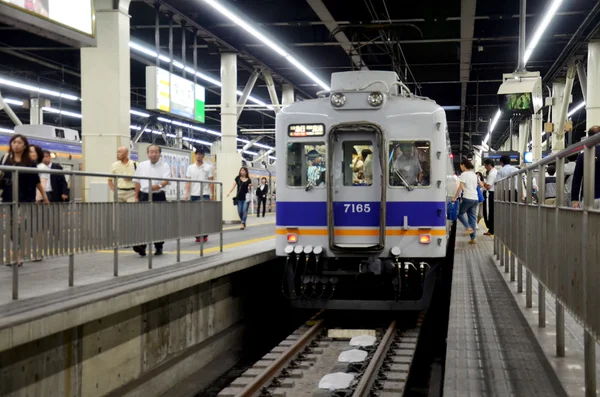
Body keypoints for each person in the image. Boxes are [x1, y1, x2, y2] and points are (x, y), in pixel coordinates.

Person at [0, 134, 49, 266]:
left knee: (19, 227)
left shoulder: (29, 163)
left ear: (24, 146)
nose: (16, 145)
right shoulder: (5, 159)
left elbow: (37, 182)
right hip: (8, 198)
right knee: (10, 228)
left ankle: (16, 255)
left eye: (19, 143)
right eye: (14, 142)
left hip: (24, 200)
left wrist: (44, 197)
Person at [132, 145, 171, 257]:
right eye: (151, 152)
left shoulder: (165, 165)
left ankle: (159, 246)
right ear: (147, 153)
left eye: (155, 152)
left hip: (159, 195)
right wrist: (136, 196)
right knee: (143, 221)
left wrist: (158, 186)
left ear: (159, 153)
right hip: (144, 195)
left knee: (158, 222)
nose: (153, 154)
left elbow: (166, 180)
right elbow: (137, 182)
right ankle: (142, 246)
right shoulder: (142, 165)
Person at [185, 149, 214, 242]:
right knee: (195, 216)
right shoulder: (190, 167)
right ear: (195, 155)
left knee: (204, 216)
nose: (198, 156)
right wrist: (187, 193)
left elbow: (211, 182)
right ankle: (198, 235)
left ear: (203, 156)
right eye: (197, 154)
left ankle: (204, 235)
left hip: (205, 194)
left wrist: (212, 194)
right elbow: (188, 182)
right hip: (194, 194)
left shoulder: (208, 167)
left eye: (200, 154)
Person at [571, 125, 600, 208]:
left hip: (588, 197)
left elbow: (577, 179)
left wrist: (575, 199)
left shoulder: (583, 156)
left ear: (589, 137)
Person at [452, 159, 479, 244]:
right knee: (472, 218)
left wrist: (455, 197)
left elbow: (460, 187)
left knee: (459, 213)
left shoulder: (464, 174)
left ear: (464, 165)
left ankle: (468, 228)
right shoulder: (474, 174)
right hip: (475, 198)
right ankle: (473, 238)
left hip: (467, 198)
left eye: (461, 166)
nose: (461, 168)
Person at [482, 159, 497, 236]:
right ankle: (492, 229)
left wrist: (483, 184)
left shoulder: (492, 174)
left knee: (488, 212)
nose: (485, 167)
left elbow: (488, 186)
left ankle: (491, 229)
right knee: (491, 212)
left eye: (485, 165)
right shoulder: (495, 172)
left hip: (490, 195)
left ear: (489, 165)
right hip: (493, 194)